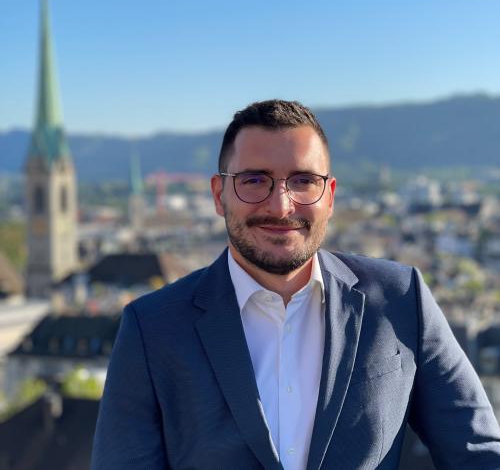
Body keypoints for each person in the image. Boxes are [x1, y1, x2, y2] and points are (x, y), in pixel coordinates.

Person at [91, 100, 500, 470]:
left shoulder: (401, 298)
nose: (281, 206)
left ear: (330, 196)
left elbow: (478, 454)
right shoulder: (152, 328)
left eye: (303, 180)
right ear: (219, 195)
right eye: (254, 180)